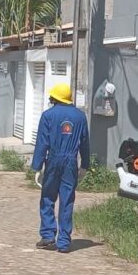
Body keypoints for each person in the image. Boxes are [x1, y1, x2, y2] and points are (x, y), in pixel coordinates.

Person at [31, 83, 90, 253]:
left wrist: (38, 166)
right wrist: (84, 165)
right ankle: (64, 242)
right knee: (67, 200)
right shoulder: (80, 117)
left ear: (55, 98)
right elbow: (85, 143)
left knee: (48, 198)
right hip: (71, 162)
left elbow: (42, 142)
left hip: (54, 159)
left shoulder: (48, 115)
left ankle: (48, 236)